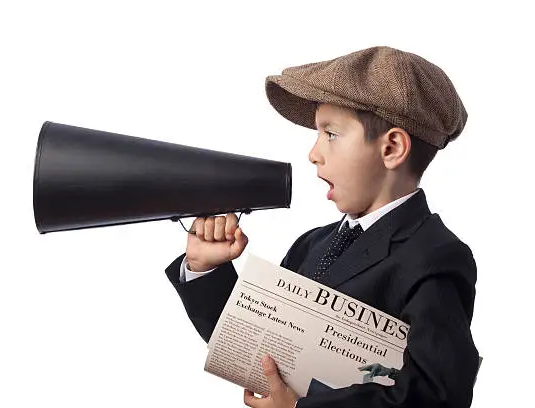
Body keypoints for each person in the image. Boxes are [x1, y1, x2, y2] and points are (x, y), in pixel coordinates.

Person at [164, 46, 479, 408]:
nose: (313, 153)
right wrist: (206, 269)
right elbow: (258, 345)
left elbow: (437, 396)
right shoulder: (311, 244)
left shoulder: (435, 256)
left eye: (330, 134)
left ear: (391, 147)